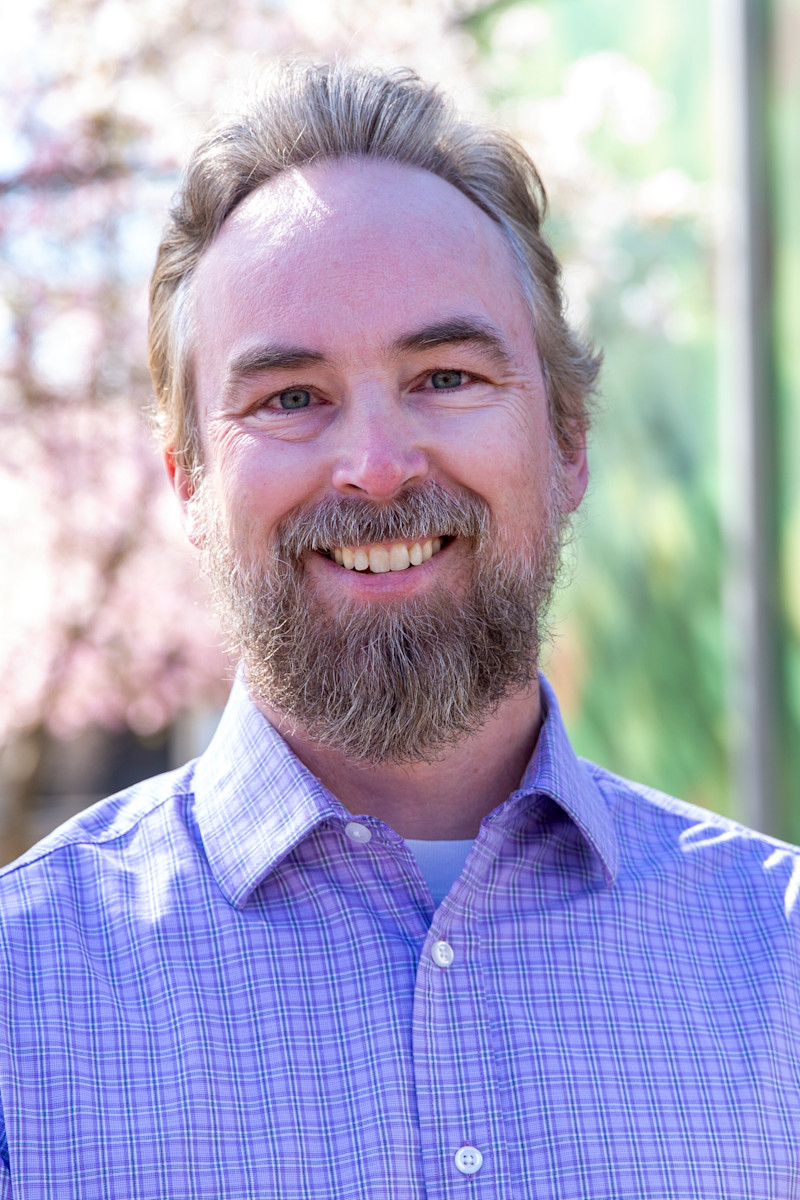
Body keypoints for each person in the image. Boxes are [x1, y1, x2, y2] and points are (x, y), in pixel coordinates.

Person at [0, 59, 798, 1200]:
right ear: (185, 480)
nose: (375, 467)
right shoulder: (19, 1000)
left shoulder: (782, 962)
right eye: (288, 398)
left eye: (446, 375)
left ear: (567, 441)